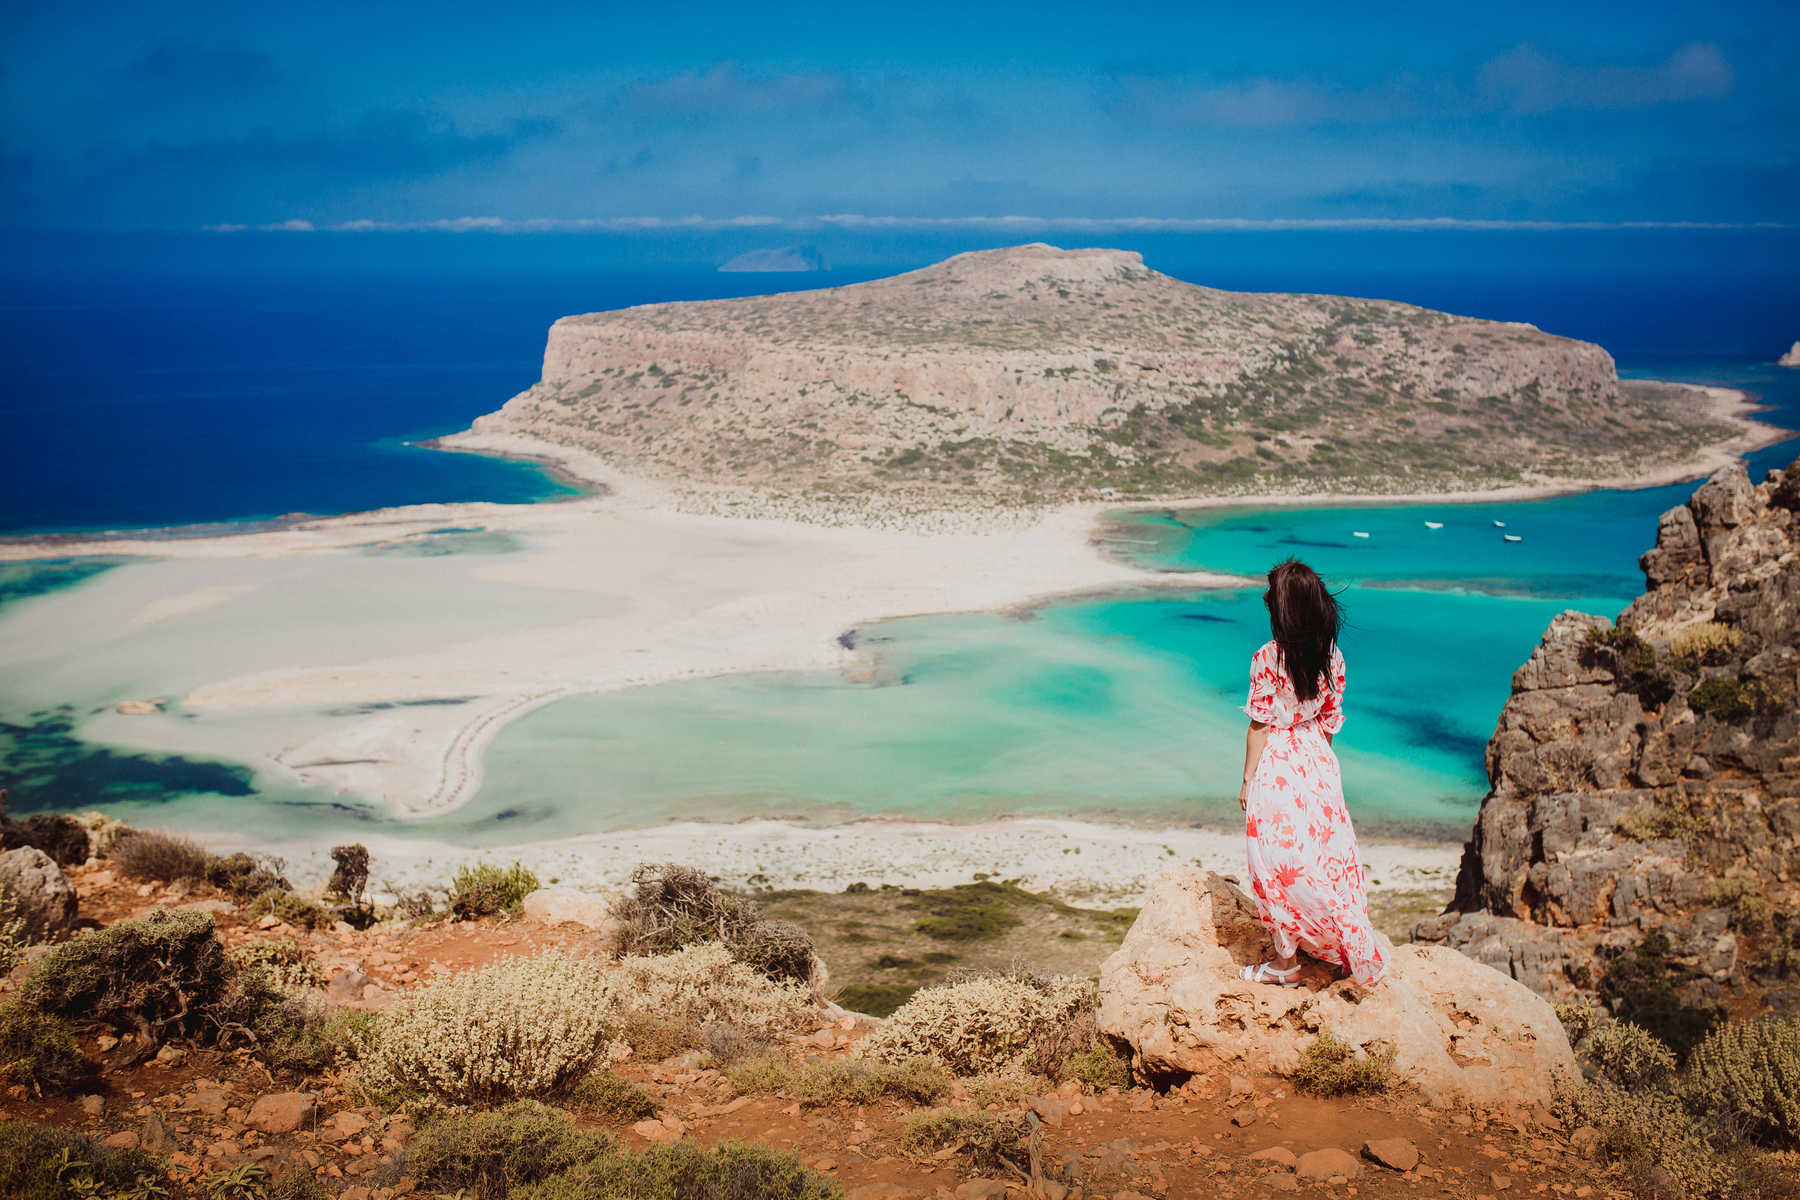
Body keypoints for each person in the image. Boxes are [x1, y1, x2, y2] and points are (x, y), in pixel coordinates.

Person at [1235, 559, 1386, 988]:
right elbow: (1330, 722)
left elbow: (1260, 725)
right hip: (1317, 758)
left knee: (1275, 863)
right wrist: (1321, 769)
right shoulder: (1332, 656)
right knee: (1328, 857)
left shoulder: (1266, 658)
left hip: (1278, 761)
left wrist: (1247, 780)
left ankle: (1286, 965)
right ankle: (1341, 944)